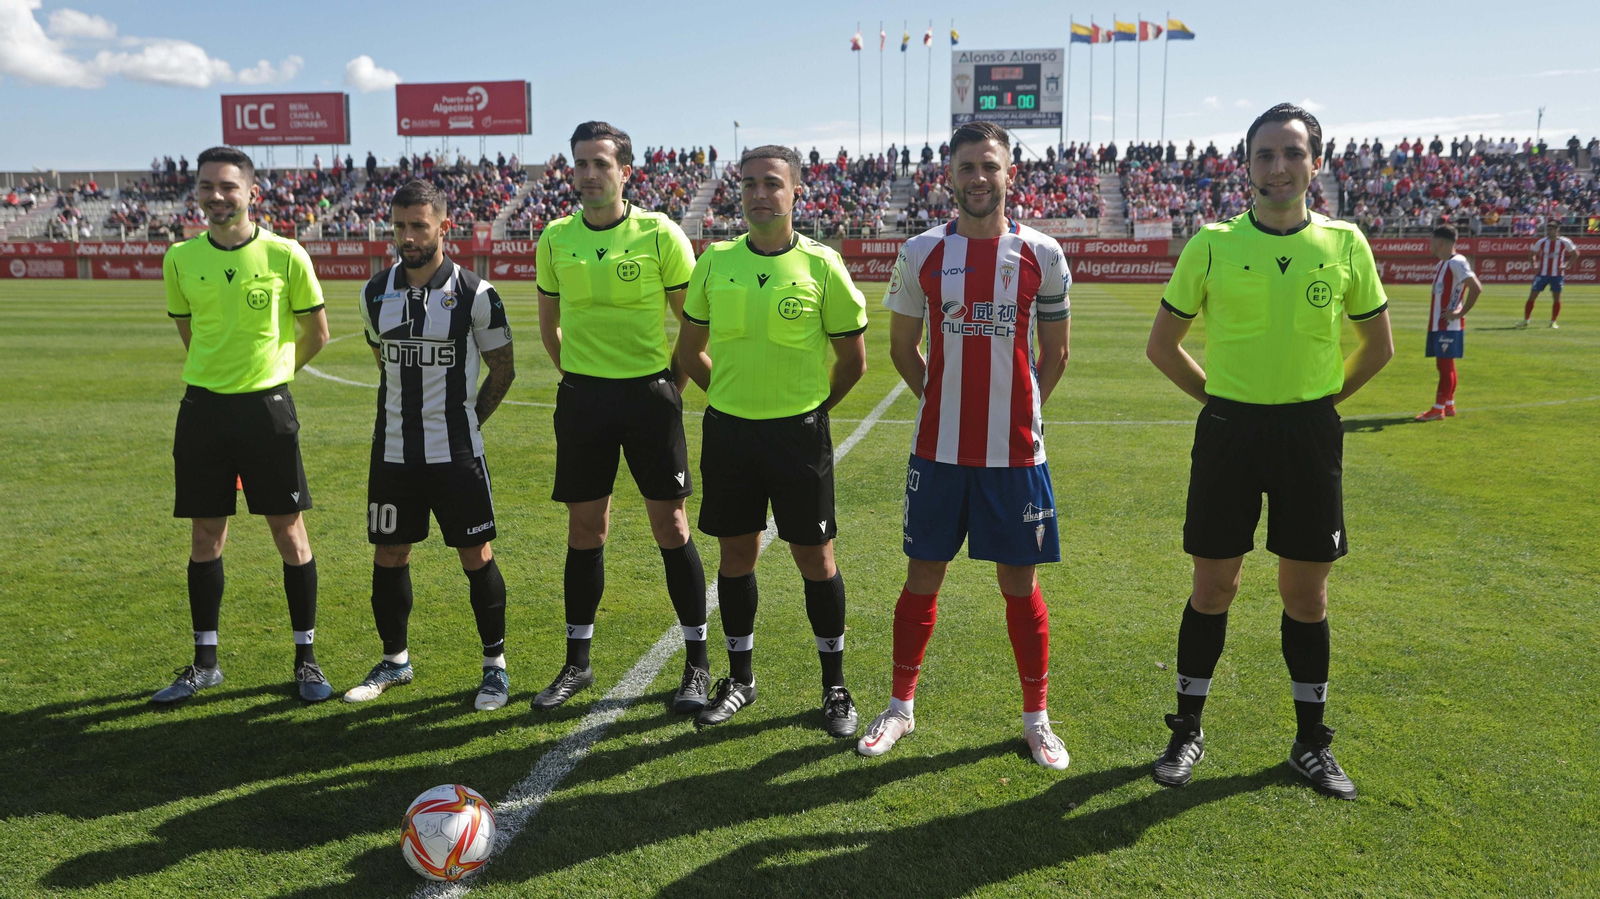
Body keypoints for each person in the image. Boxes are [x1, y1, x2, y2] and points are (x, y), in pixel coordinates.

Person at [1144, 104, 1394, 800]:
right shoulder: (1213, 244)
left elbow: (1380, 346)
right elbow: (1162, 347)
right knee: (1213, 586)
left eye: (1292, 153)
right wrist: (1221, 402)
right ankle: (1187, 728)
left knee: (1305, 593)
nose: (1278, 167)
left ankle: (1310, 742)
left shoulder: (1345, 244)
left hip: (1309, 436)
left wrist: (1318, 403)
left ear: (1317, 161)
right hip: (1229, 432)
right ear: (1245, 163)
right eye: (1265, 154)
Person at [857, 121, 1073, 770]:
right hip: (939, 452)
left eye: (990, 166)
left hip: (1016, 455)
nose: (979, 178)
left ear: (1011, 173)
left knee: (1019, 584)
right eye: (967, 167)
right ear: (948, 175)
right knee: (922, 576)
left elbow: (1055, 355)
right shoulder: (922, 251)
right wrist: (939, 402)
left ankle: (1037, 720)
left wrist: (1020, 410)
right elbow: (901, 348)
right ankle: (900, 707)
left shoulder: (1043, 252)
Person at [677, 144, 869, 736]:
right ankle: (739, 680)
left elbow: (853, 361)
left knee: (816, 558)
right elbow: (688, 351)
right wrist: (729, 398)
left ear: (795, 192)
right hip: (730, 435)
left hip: (798, 438)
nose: (760, 194)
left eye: (772, 184)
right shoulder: (714, 262)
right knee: (735, 558)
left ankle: (835, 688)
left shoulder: (822, 265)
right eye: (750, 184)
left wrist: (809, 412)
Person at [533, 122, 710, 714]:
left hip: (648, 398)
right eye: (580, 164)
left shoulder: (660, 233)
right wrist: (578, 378)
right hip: (584, 401)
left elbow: (693, 324)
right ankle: (577, 664)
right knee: (585, 531)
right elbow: (548, 324)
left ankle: (697, 663)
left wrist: (668, 386)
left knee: (672, 529)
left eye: (600, 164)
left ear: (625, 171)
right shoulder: (556, 238)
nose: (588, 175)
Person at [153, 146, 332, 705]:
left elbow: (317, 332)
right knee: (206, 536)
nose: (216, 196)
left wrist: (276, 376)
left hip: (266, 410)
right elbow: (190, 332)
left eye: (228, 186)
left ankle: (306, 659)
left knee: (289, 532)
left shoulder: (286, 255)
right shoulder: (180, 258)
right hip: (203, 411)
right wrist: (218, 378)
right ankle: (205, 662)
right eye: (206, 186)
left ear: (251, 192)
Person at [343, 180, 518, 710]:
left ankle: (495, 668)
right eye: (399, 225)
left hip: (456, 454)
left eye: (419, 225)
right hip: (393, 453)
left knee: (475, 554)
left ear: (444, 226)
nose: (408, 236)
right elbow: (385, 365)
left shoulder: (475, 293)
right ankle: (395, 661)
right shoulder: (375, 291)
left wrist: (470, 422)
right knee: (390, 553)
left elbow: (503, 370)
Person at [1415, 224, 1480, 421]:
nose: (1429, 244)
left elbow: (1476, 288)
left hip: (1447, 326)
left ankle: (1437, 409)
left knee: (1445, 367)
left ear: (1440, 242)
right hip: (1438, 324)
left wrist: (1460, 313)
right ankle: (1449, 404)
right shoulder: (1442, 263)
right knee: (1446, 366)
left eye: (1431, 240)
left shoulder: (1457, 262)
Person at [1521, 221, 1579, 329]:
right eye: (1548, 229)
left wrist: (1567, 265)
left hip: (1557, 274)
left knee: (1556, 298)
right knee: (1532, 296)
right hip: (1542, 274)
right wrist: (1534, 266)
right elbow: (1531, 254)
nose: (1548, 231)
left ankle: (1553, 321)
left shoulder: (1564, 241)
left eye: (1551, 229)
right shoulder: (1542, 242)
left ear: (1557, 230)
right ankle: (1526, 320)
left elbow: (1575, 253)